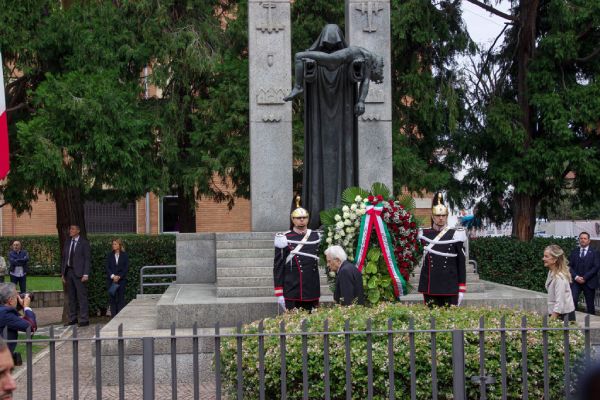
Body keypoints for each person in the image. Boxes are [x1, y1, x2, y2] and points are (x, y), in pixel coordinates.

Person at [283, 24, 380, 229]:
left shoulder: (363, 59)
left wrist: (360, 100)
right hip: (321, 113)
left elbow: (362, 81)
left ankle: (343, 215)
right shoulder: (365, 57)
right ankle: (298, 86)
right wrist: (361, 99)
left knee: (303, 56)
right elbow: (366, 83)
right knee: (303, 57)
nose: (378, 76)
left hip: (343, 115)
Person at [418, 192, 467, 307]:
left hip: (450, 285)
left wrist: (461, 287)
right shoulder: (423, 234)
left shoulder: (456, 234)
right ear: (432, 217)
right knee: (431, 321)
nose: (441, 218)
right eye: (438, 216)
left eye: (443, 216)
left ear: (446, 216)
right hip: (431, 285)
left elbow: (461, 263)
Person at [273, 197, 322, 312]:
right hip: (292, 289)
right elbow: (278, 267)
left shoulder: (316, 236)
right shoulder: (284, 238)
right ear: (293, 219)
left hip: (311, 288)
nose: (302, 220)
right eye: (298, 218)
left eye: (304, 217)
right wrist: (279, 292)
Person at [61, 225, 91, 327]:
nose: (70, 231)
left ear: (78, 231)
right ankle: (73, 318)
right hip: (69, 272)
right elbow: (64, 258)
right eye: (70, 229)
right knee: (71, 296)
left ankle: (84, 319)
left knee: (81, 296)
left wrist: (86, 273)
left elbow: (87, 259)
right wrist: (63, 273)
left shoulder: (84, 242)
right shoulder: (68, 242)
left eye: (73, 229)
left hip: (79, 273)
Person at [0, 283, 37, 360]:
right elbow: (31, 326)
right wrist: (26, 307)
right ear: (10, 300)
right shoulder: (6, 314)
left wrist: (21, 306)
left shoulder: (4, 311)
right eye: (16, 296)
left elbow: (20, 319)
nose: (18, 297)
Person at [568, 232, 599, 317]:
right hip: (576, 282)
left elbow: (596, 267)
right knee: (573, 300)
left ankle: (591, 324)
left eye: (585, 238)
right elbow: (569, 266)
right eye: (581, 238)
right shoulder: (574, 251)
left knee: (590, 305)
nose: (583, 240)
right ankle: (572, 321)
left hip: (589, 282)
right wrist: (576, 277)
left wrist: (585, 277)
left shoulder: (595, 252)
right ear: (579, 240)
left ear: (589, 241)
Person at [543, 244, 575, 321]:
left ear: (555, 259)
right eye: (544, 256)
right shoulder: (551, 272)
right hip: (556, 312)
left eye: (546, 256)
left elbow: (559, 302)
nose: (543, 258)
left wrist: (551, 320)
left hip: (563, 315)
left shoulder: (559, 277)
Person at [105, 239, 129, 317]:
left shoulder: (124, 255)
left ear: (119, 245)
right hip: (111, 280)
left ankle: (120, 316)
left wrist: (119, 276)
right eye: (113, 244)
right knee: (112, 298)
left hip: (121, 280)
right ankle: (113, 316)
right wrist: (112, 276)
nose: (113, 245)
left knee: (121, 299)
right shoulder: (109, 255)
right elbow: (107, 267)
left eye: (115, 244)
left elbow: (126, 268)